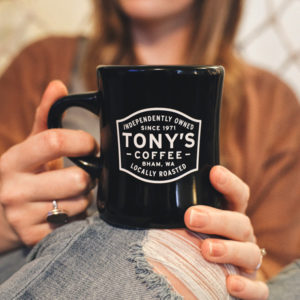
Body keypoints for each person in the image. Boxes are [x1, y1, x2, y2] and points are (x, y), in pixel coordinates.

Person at [0, 0, 299, 299]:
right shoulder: (41, 63)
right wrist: (5, 223)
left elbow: (279, 268)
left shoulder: (273, 105)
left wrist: (244, 267)